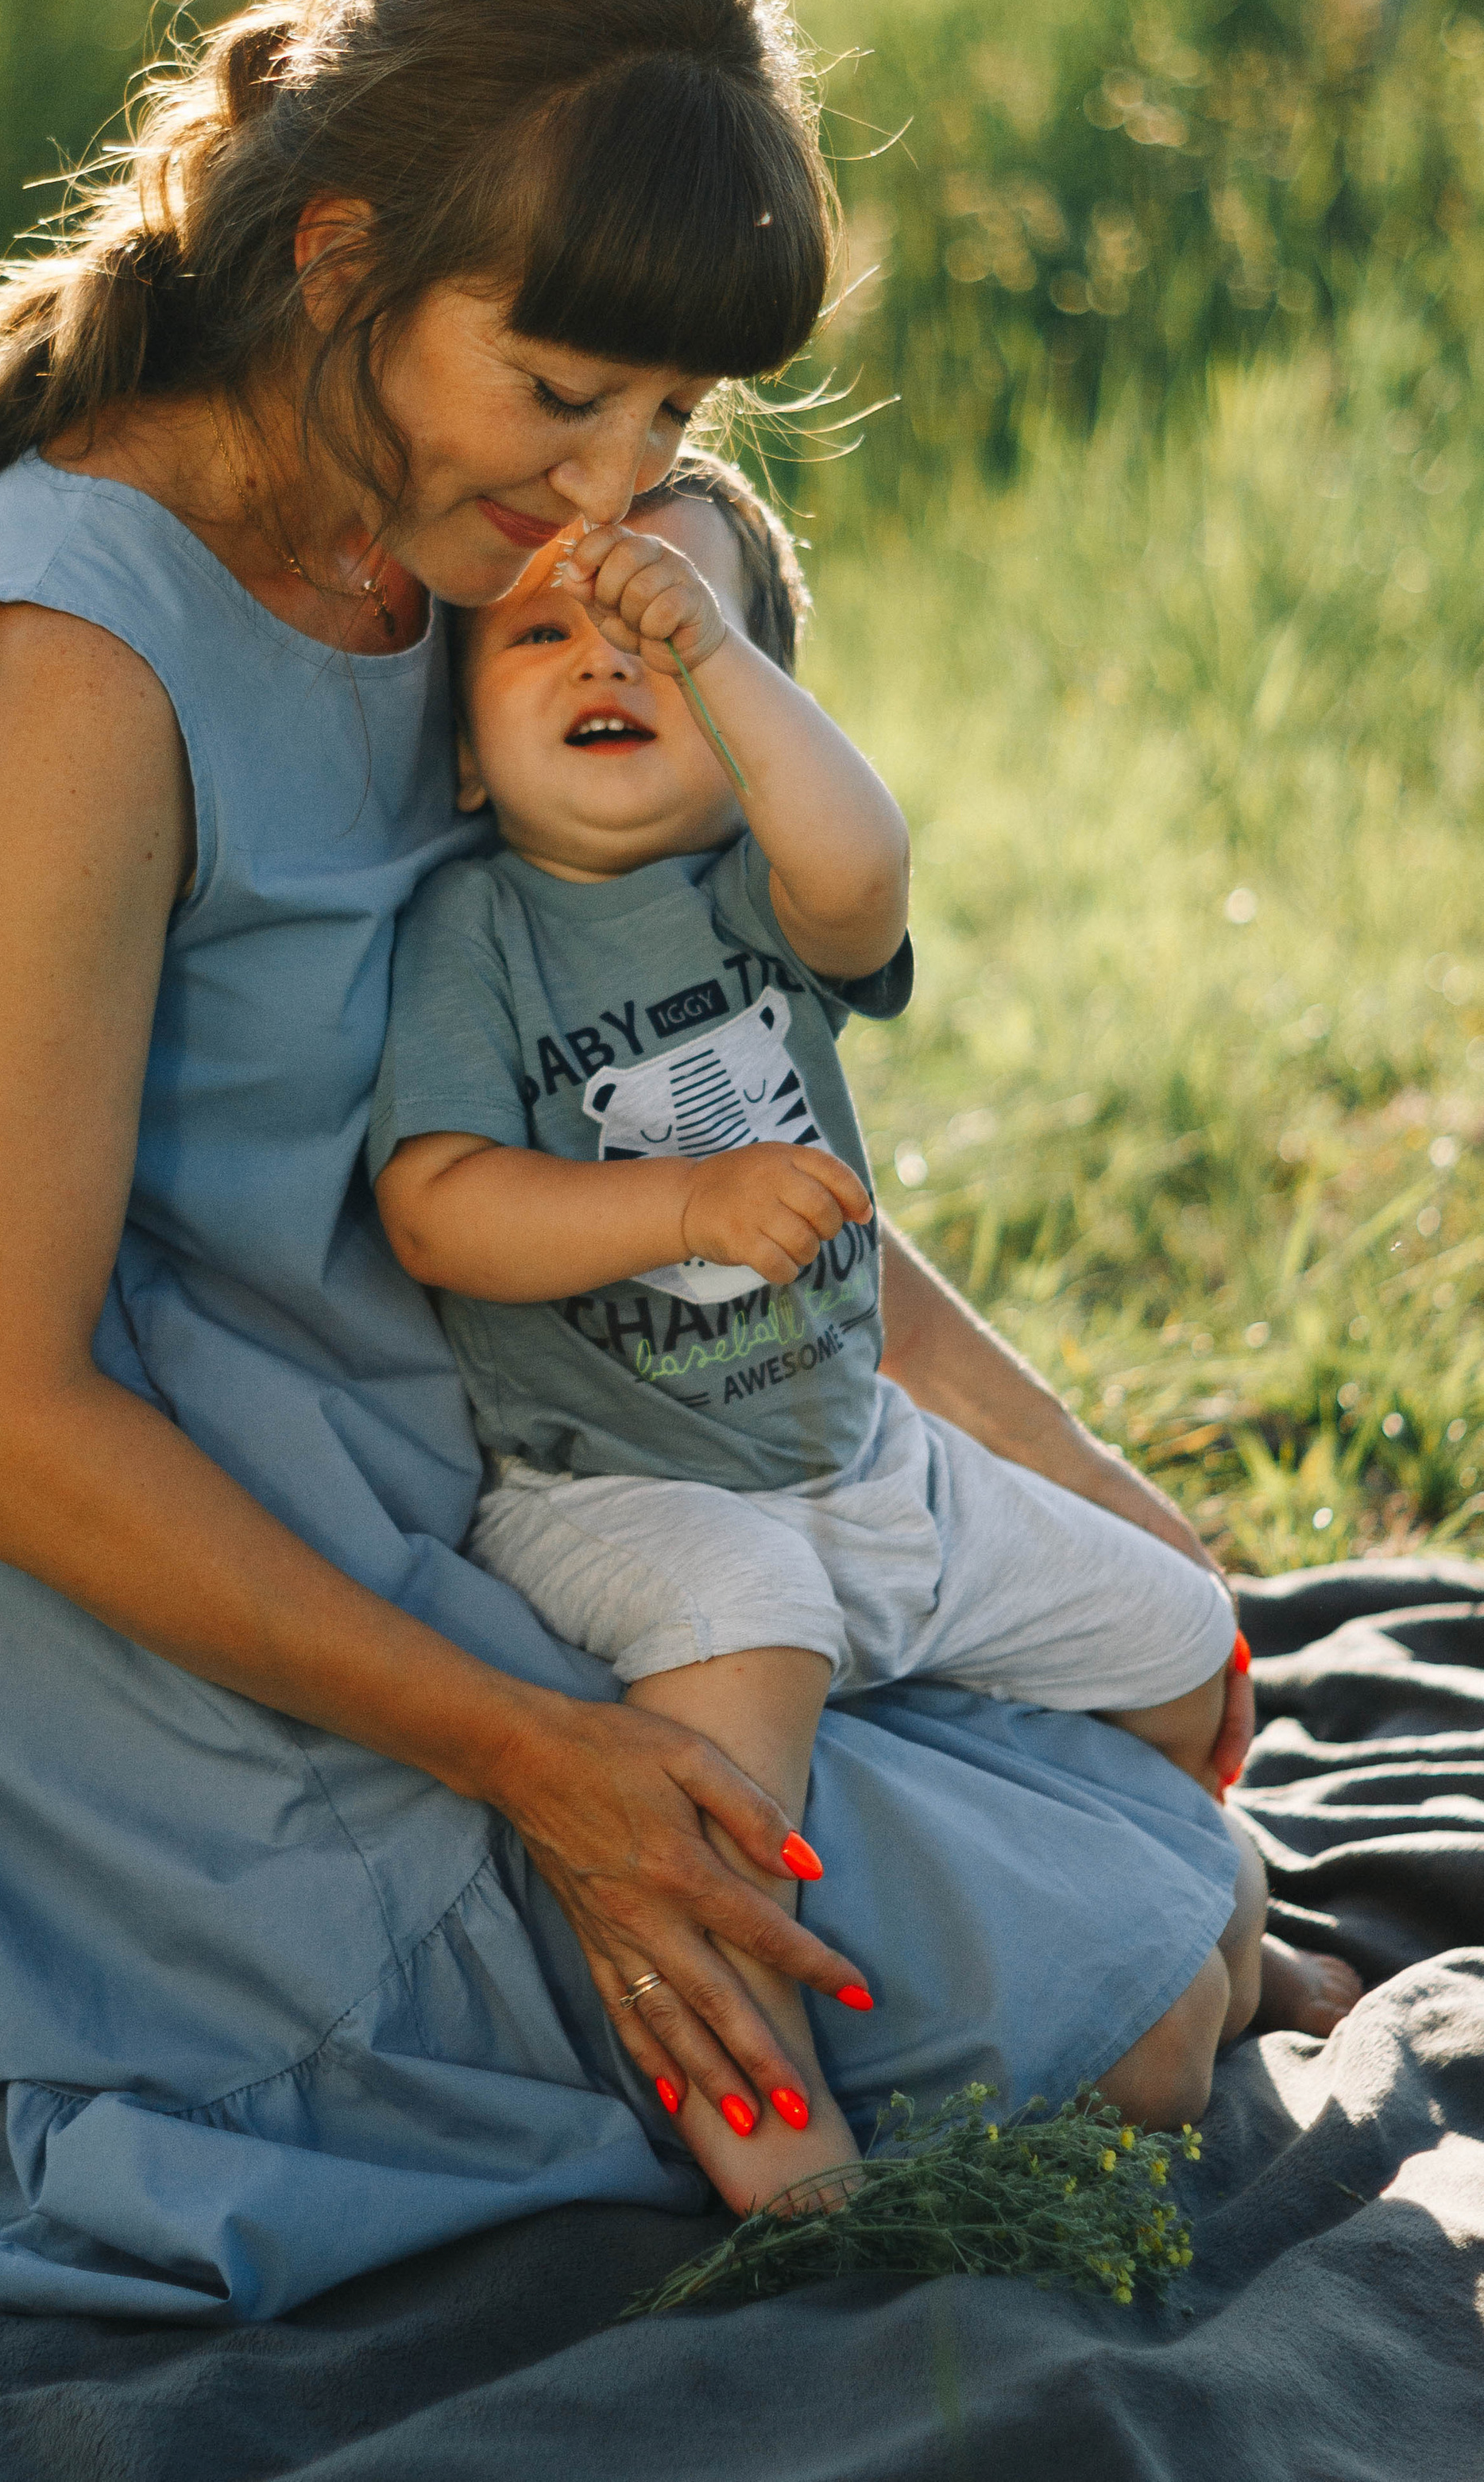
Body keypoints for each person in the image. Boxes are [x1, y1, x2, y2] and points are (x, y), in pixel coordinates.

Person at [0, 0, 1312, 2329]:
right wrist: (540, 1767)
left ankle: (33, 1945)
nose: (610, 482)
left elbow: (684, 1093)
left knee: (1155, 1846)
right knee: (1142, 2016)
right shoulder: (70, 669)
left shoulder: (481, 583)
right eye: (558, 392)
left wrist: (1088, 1485)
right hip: (121, 1580)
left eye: (670, 411)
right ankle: (22, 1913)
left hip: (489, 1463)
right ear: (341, 257)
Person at [371, 452, 1268, 2214]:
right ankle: (782, 2156)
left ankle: (1181, 1888)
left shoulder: (760, 893)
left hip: (861, 1461)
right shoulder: (473, 929)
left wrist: (721, 661)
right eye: (541, 633)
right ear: (464, 749)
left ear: (758, 724)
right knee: (748, 1648)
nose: (606, 656)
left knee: (1181, 1634)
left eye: (666, 633)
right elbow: (437, 1209)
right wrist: (681, 1209)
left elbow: (861, 863)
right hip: (620, 1493)